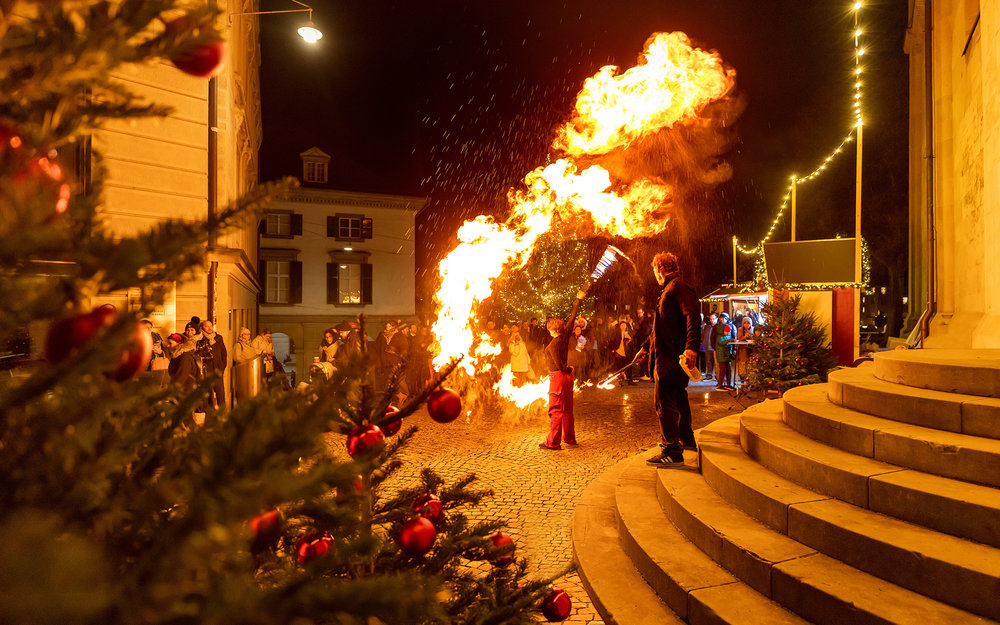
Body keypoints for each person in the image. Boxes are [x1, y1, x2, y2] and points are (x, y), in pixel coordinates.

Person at [637, 252, 700, 467]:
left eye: (654, 271)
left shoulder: (678, 287)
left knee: (664, 403)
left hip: (671, 358)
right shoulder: (669, 290)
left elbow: (692, 315)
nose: (655, 275)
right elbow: (660, 329)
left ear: (659, 269)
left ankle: (672, 450)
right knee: (678, 397)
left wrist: (691, 348)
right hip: (667, 355)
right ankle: (685, 439)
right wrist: (645, 348)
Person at [539, 286, 587, 450]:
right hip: (567, 378)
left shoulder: (553, 344)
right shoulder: (565, 335)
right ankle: (569, 438)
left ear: (552, 329)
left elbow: (559, 364)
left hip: (558, 377)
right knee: (567, 409)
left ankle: (552, 442)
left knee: (556, 410)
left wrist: (566, 368)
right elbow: (572, 318)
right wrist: (577, 301)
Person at [197, 319, 227, 409]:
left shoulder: (218, 338)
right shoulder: (200, 339)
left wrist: (222, 367)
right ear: (202, 328)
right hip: (207, 370)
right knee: (208, 394)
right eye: (207, 326)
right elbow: (200, 354)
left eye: (211, 326)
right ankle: (210, 413)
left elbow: (224, 353)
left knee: (220, 393)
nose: (209, 328)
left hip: (218, 369)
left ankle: (222, 412)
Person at [715, 323, 734, 390]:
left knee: (728, 370)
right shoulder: (719, 337)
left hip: (726, 356)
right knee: (722, 370)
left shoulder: (726, 336)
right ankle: (720, 385)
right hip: (721, 356)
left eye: (729, 332)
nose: (728, 333)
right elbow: (722, 342)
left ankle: (728, 385)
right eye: (727, 331)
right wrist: (731, 340)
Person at [702, 313, 717, 380]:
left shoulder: (718, 327)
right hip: (708, 346)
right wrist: (703, 343)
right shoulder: (707, 327)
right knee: (708, 361)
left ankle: (718, 375)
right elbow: (704, 335)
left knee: (717, 363)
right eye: (711, 319)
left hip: (716, 347)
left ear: (716, 319)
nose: (712, 320)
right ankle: (709, 375)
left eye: (713, 319)